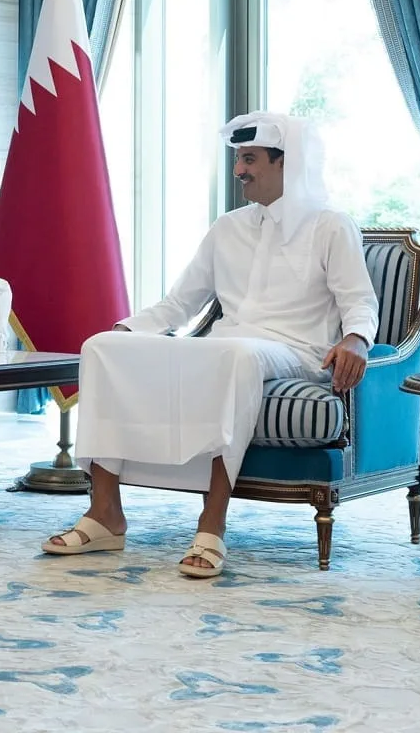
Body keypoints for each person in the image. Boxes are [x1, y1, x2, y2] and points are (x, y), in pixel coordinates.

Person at [40, 112, 379, 577]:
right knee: (101, 346)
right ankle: (105, 514)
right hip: (227, 346)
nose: (239, 170)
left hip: (297, 352)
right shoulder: (228, 227)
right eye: (238, 159)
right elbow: (179, 303)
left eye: (250, 159)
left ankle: (212, 524)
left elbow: (359, 300)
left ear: (287, 163)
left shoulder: (332, 227)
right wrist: (127, 332)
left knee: (233, 354)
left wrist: (357, 339)